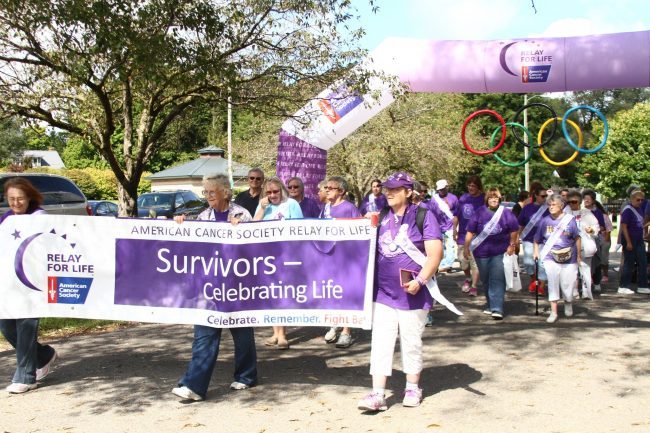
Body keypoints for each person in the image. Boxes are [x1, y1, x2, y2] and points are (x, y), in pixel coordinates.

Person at [357, 172, 442, 411]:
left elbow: (435, 254)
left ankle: (413, 387)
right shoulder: (381, 215)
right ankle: (378, 394)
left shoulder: (424, 215)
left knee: (410, 341)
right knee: (381, 341)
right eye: (387, 189)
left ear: (408, 191)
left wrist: (422, 280)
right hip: (383, 292)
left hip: (413, 292)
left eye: (396, 189)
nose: (389, 192)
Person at [171, 174, 257, 401]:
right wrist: (181, 226)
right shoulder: (203, 216)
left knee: (242, 333)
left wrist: (242, 232)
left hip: (237, 284)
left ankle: (246, 376)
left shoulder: (242, 214)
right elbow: (192, 246)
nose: (207, 195)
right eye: (205, 192)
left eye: (211, 191)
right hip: (209, 285)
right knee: (204, 335)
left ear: (225, 193)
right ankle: (194, 385)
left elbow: (257, 248)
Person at [0, 177, 58, 394]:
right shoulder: (6, 219)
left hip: (31, 282)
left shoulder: (38, 217)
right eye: (11, 199)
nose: (16, 203)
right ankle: (44, 356)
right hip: (9, 284)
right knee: (6, 326)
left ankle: (26, 377)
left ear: (29, 198)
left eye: (20, 199)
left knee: (25, 327)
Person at [254, 176, 303, 349]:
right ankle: (275, 332)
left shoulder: (291, 204)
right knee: (271, 295)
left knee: (281, 294)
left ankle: (283, 335)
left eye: (275, 191)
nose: (273, 195)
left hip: (286, 256)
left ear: (282, 189)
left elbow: (299, 229)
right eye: (269, 192)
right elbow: (253, 227)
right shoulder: (263, 206)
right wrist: (261, 207)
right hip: (266, 256)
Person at [464, 188, 519, 320]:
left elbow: (514, 230)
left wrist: (512, 244)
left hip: (500, 251)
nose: (494, 200)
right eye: (491, 198)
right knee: (486, 279)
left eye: (496, 198)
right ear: (487, 199)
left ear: (499, 199)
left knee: (497, 278)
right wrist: (466, 247)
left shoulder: (506, 213)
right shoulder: (479, 212)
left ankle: (497, 308)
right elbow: (470, 231)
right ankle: (490, 304)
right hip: (481, 252)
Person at [321, 176, 360, 348]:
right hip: (329, 258)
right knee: (332, 292)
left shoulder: (349, 208)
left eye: (331, 187)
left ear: (341, 191)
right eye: (326, 187)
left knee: (346, 293)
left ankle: (346, 331)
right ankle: (334, 324)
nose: (327, 189)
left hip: (346, 259)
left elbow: (360, 230)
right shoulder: (326, 208)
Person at [533, 194, 581, 323]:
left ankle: (568, 302)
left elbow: (577, 237)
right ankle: (554, 312)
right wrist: (536, 252)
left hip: (569, 257)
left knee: (568, 283)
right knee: (553, 283)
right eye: (549, 204)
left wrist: (579, 256)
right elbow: (537, 239)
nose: (551, 207)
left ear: (561, 206)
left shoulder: (570, 220)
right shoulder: (544, 221)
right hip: (550, 257)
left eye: (554, 204)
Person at [453, 175, 484, 296]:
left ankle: (474, 286)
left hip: (477, 236)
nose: (471, 188)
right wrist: (454, 229)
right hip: (462, 235)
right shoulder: (463, 198)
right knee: (462, 260)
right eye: (469, 185)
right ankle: (468, 277)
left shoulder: (483, 199)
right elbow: (456, 215)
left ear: (478, 187)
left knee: (474, 262)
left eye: (473, 186)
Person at [566, 190, 600, 299]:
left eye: (574, 202)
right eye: (569, 202)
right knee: (571, 270)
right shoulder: (564, 213)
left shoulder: (587, 213)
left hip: (585, 245)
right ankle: (573, 291)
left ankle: (586, 292)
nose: (572, 204)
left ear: (580, 202)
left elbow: (596, 226)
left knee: (585, 269)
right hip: (569, 245)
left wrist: (592, 230)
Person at [518, 186, 549, 295]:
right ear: (535, 196)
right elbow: (520, 224)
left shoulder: (548, 208)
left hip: (543, 241)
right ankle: (533, 279)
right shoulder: (527, 208)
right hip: (528, 239)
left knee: (542, 264)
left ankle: (541, 286)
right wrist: (516, 238)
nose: (545, 198)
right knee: (528, 262)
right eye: (542, 196)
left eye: (546, 196)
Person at [618, 189, 649, 295]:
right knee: (629, 262)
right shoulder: (628, 210)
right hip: (630, 238)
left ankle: (643, 285)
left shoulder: (640, 209)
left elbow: (639, 224)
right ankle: (623, 286)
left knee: (643, 261)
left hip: (639, 238)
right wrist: (628, 242)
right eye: (638, 200)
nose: (640, 202)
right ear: (632, 199)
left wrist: (646, 226)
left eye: (642, 200)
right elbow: (624, 227)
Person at [433, 179, 458, 273]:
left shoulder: (453, 198)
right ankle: (442, 264)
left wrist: (455, 228)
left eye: (443, 189)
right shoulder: (434, 199)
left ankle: (447, 264)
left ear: (447, 187)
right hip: (438, 227)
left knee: (450, 246)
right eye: (439, 189)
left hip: (450, 227)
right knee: (441, 247)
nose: (441, 191)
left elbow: (456, 214)